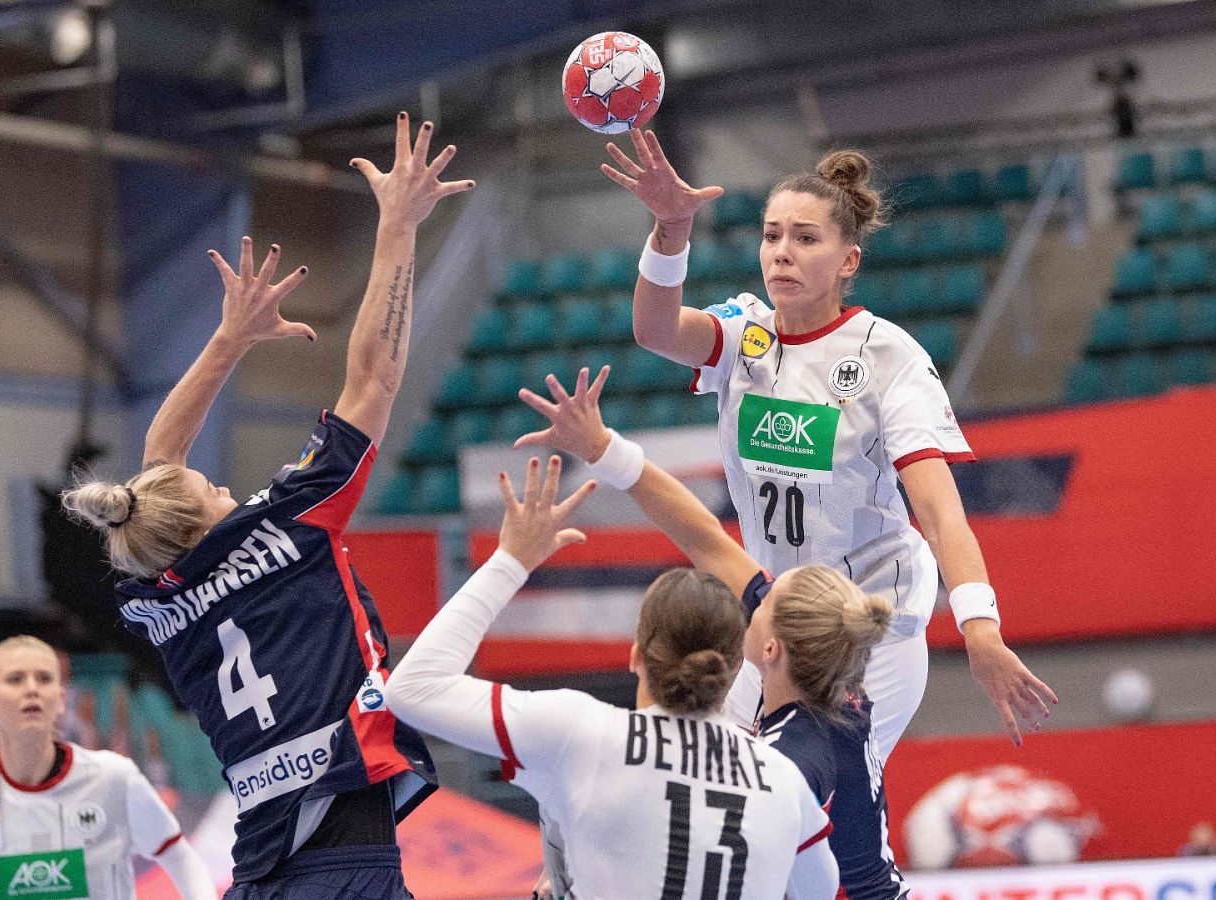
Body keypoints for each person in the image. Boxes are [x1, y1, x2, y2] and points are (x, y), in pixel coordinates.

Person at [62, 114, 472, 898]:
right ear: (202, 520)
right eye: (217, 491)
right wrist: (397, 228)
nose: (227, 487)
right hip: (337, 856)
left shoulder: (152, 592)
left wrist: (228, 342)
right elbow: (375, 381)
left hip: (263, 866)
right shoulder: (291, 526)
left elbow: (159, 470)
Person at [599, 130, 1057, 758]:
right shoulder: (746, 336)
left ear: (849, 262)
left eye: (805, 238)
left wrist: (981, 630)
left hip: (872, 632)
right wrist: (671, 227)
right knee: (733, 792)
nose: (781, 253)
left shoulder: (889, 357)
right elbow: (653, 330)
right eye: (772, 235)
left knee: (818, 806)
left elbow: (940, 513)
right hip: (772, 622)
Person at [518, 365, 908, 899]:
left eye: (767, 598)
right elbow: (702, 535)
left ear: (771, 648)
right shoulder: (829, 699)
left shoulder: (784, 761)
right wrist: (601, 446)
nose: (755, 591)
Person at [385, 455, 840, 899]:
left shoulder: (582, 733)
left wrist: (511, 560)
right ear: (734, 667)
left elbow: (412, 688)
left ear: (636, 655)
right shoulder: (783, 781)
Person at [0, 636, 213, 900]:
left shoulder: (115, 777)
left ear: (60, 699)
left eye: (44, 679)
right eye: (15, 679)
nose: (31, 688)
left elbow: (181, 857)